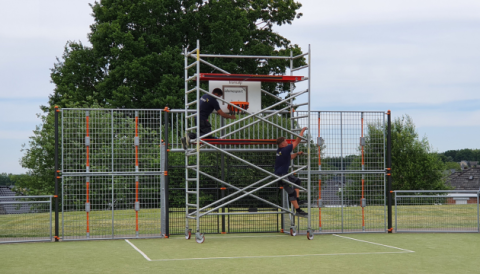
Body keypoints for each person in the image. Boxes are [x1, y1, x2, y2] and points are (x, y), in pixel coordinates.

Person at [275, 127, 308, 217]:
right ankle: (298, 210)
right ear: (282, 145)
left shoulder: (280, 151)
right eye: (285, 142)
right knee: (291, 192)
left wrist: (297, 154)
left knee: (297, 181)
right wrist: (302, 130)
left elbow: (290, 157)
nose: (287, 142)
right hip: (281, 175)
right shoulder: (285, 149)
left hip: (283, 174)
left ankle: (297, 200)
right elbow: (297, 140)